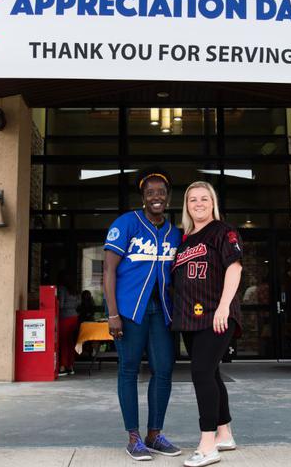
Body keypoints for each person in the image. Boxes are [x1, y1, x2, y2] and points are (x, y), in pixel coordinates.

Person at [102, 168, 183, 461]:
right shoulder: (126, 223)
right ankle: (133, 437)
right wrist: (112, 314)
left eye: (161, 192)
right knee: (128, 370)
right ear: (143, 197)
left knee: (163, 370)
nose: (156, 197)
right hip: (129, 311)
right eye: (150, 192)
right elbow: (109, 270)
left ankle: (155, 434)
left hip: (160, 311)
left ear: (168, 196)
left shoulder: (174, 233)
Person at [172, 181, 243, 467]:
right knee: (210, 373)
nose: (198, 203)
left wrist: (224, 306)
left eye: (204, 198)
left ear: (212, 202)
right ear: (186, 206)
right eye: (192, 200)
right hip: (191, 318)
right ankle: (225, 434)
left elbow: (234, 268)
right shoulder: (185, 238)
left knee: (201, 373)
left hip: (216, 315)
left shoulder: (224, 231)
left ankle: (207, 444)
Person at [57, 273, 81, 376]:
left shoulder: (62, 289)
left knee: (63, 342)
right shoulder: (75, 290)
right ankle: (70, 366)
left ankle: (62, 366)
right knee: (70, 342)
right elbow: (78, 303)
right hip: (74, 317)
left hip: (65, 317)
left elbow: (61, 304)